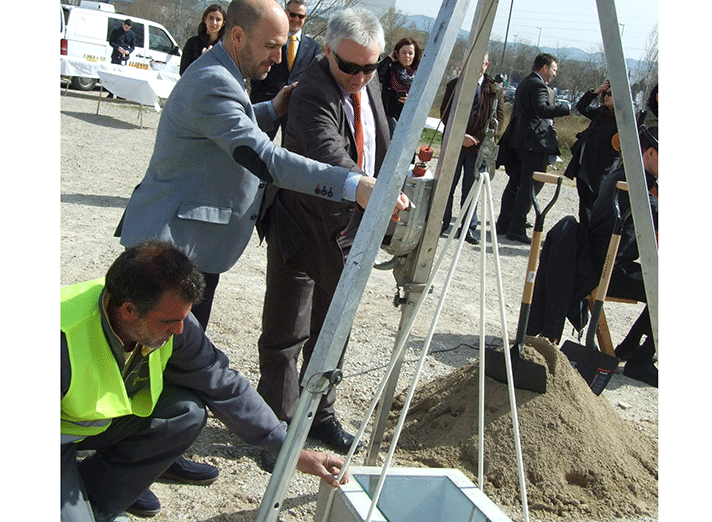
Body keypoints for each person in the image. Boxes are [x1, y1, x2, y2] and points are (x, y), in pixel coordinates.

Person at [118, 0, 408, 514]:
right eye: (272, 45)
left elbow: (233, 125)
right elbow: (263, 157)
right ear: (236, 38)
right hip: (166, 247)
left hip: (192, 246)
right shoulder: (212, 81)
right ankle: (122, 467)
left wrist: (271, 110)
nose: (281, 56)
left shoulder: (224, 77)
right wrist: (351, 184)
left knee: (174, 361)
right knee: (141, 359)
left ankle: (160, 451)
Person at [61, 241, 348, 522]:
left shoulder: (171, 319)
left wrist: (293, 451)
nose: (179, 330)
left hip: (89, 425)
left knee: (185, 412)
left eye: (184, 318)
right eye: (169, 322)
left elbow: (223, 384)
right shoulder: (60, 338)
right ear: (128, 311)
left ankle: (97, 504)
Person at [256, 6, 389, 473]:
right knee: (287, 331)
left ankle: (320, 415)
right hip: (300, 224)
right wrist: (367, 187)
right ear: (328, 50)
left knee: (335, 330)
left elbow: (375, 144)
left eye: (369, 67)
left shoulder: (365, 83)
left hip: (347, 231)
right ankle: (276, 429)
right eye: (349, 66)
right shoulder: (313, 89)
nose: (358, 76)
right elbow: (326, 152)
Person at [587, 125, 658, 387]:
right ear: (650, 153)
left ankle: (630, 348)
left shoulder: (626, 174)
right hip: (606, 272)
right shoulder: (632, 184)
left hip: (608, 265)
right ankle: (640, 362)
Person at [495, 53, 570, 244]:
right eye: (554, 69)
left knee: (515, 183)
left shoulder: (526, 82)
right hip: (533, 144)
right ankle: (517, 228)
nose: (554, 74)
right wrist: (564, 109)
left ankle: (504, 222)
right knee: (528, 186)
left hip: (519, 141)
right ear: (544, 68)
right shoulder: (538, 85)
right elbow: (541, 110)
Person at [439, 52, 505, 244]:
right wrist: (460, 136)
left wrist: (476, 138)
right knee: (447, 186)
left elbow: (499, 121)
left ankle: (467, 227)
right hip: (454, 145)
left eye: (479, 63)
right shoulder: (454, 85)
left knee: (471, 189)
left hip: (479, 148)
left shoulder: (495, 90)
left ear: (486, 65)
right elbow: (445, 114)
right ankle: (441, 222)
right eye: (469, 63)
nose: (475, 67)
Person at [249, 0, 320, 141]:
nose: (296, 19)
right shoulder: (271, 39)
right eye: (293, 15)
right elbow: (258, 69)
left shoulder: (313, 47)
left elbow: (313, 78)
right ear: (285, 14)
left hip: (295, 107)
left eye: (301, 16)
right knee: (257, 149)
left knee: (288, 153)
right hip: (268, 103)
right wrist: (255, 100)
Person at [564, 80, 620, 229]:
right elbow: (581, 107)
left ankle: (592, 236)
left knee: (596, 205)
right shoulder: (600, 113)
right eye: (605, 94)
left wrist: (604, 169)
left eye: (610, 94)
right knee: (583, 203)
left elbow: (615, 151)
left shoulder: (621, 120)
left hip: (601, 171)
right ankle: (583, 233)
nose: (606, 97)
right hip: (584, 166)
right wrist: (594, 92)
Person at [377, 37, 422, 135]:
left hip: (409, 119)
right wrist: (389, 59)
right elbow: (376, 76)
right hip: (389, 119)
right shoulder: (390, 71)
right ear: (397, 54)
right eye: (403, 52)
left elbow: (424, 99)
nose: (407, 56)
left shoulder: (420, 75)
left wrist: (411, 100)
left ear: (415, 55)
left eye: (410, 53)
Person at [179, 4, 227, 75]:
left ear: (223, 23)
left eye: (218, 19)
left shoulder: (226, 47)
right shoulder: (192, 43)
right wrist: (202, 59)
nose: (214, 23)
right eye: (211, 18)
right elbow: (183, 72)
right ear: (205, 19)